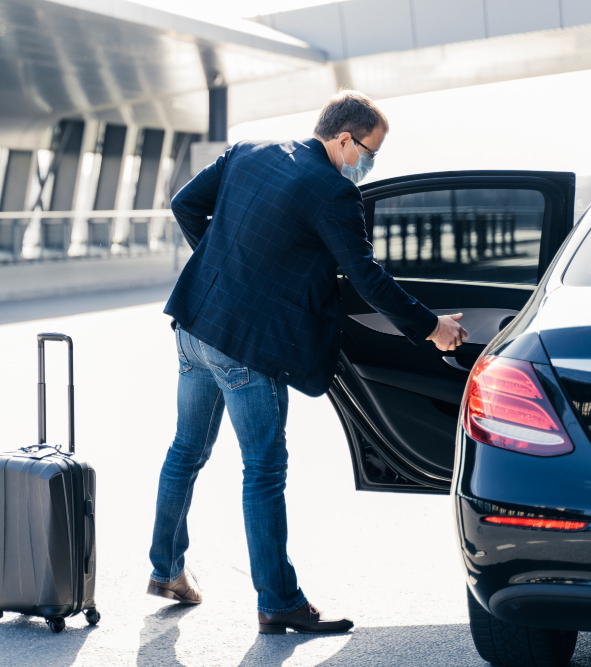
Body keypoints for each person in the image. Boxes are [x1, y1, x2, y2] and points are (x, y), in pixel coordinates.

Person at [146, 90, 467, 634]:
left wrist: (226, 270)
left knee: (186, 450)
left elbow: (184, 204)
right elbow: (367, 279)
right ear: (344, 138)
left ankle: (166, 569)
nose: (368, 166)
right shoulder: (331, 193)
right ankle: (278, 601)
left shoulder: (249, 149)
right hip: (247, 349)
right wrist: (433, 327)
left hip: (195, 326)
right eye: (370, 152)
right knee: (264, 471)